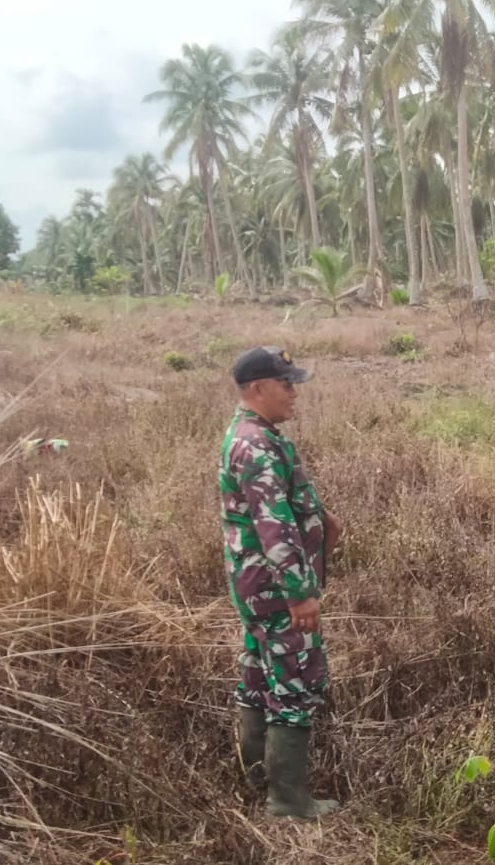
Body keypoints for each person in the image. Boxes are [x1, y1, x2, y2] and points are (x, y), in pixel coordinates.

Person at [218, 345, 344, 819]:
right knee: (295, 683)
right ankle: (289, 802)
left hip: (255, 586)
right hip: (275, 590)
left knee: (258, 678)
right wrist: (301, 593)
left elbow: (274, 509)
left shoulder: (252, 435)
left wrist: (320, 517)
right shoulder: (256, 445)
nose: (294, 393)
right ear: (258, 388)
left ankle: (255, 779)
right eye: (286, 384)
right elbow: (274, 526)